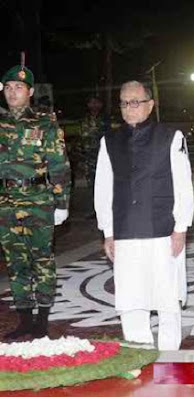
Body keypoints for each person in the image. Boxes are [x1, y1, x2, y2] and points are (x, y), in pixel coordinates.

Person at [94, 81, 194, 350]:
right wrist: (108, 232)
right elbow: (103, 188)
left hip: (163, 229)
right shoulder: (110, 141)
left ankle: (169, 353)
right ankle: (138, 350)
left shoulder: (171, 136)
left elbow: (183, 185)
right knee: (130, 296)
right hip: (125, 231)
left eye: (135, 102)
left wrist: (181, 227)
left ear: (150, 105)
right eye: (124, 103)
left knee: (166, 296)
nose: (130, 108)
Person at [0, 63, 71, 340]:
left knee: (41, 260)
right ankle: (24, 320)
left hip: (39, 201)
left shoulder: (45, 123)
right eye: (8, 87)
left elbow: (59, 164)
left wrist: (61, 203)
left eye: (18, 87)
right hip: (6, 202)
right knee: (15, 262)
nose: (12, 92)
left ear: (30, 91)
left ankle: (42, 320)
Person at [78, 96, 110, 196]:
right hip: (88, 156)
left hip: (104, 155)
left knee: (105, 182)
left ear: (101, 104)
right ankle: (94, 208)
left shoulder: (106, 119)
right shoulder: (84, 119)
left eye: (96, 102)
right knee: (92, 183)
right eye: (91, 102)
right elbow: (80, 138)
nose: (94, 105)